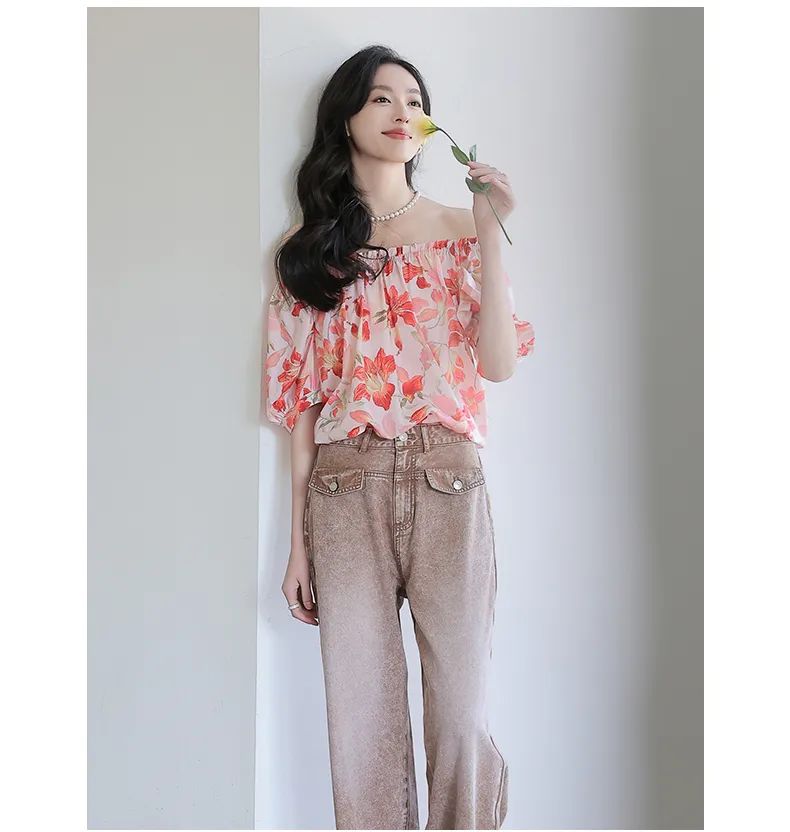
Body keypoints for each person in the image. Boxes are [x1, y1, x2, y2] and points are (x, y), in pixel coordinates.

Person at [264, 45, 535, 830]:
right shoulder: (308, 251)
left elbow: (498, 364)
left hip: (448, 481)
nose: (401, 112)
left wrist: (489, 231)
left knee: (462, 714)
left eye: (413, 100)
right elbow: (301, 405)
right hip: (343, 489)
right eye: (381, 97)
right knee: (362, 728)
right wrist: (298, 544)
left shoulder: (457, 229)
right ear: (345, 118)